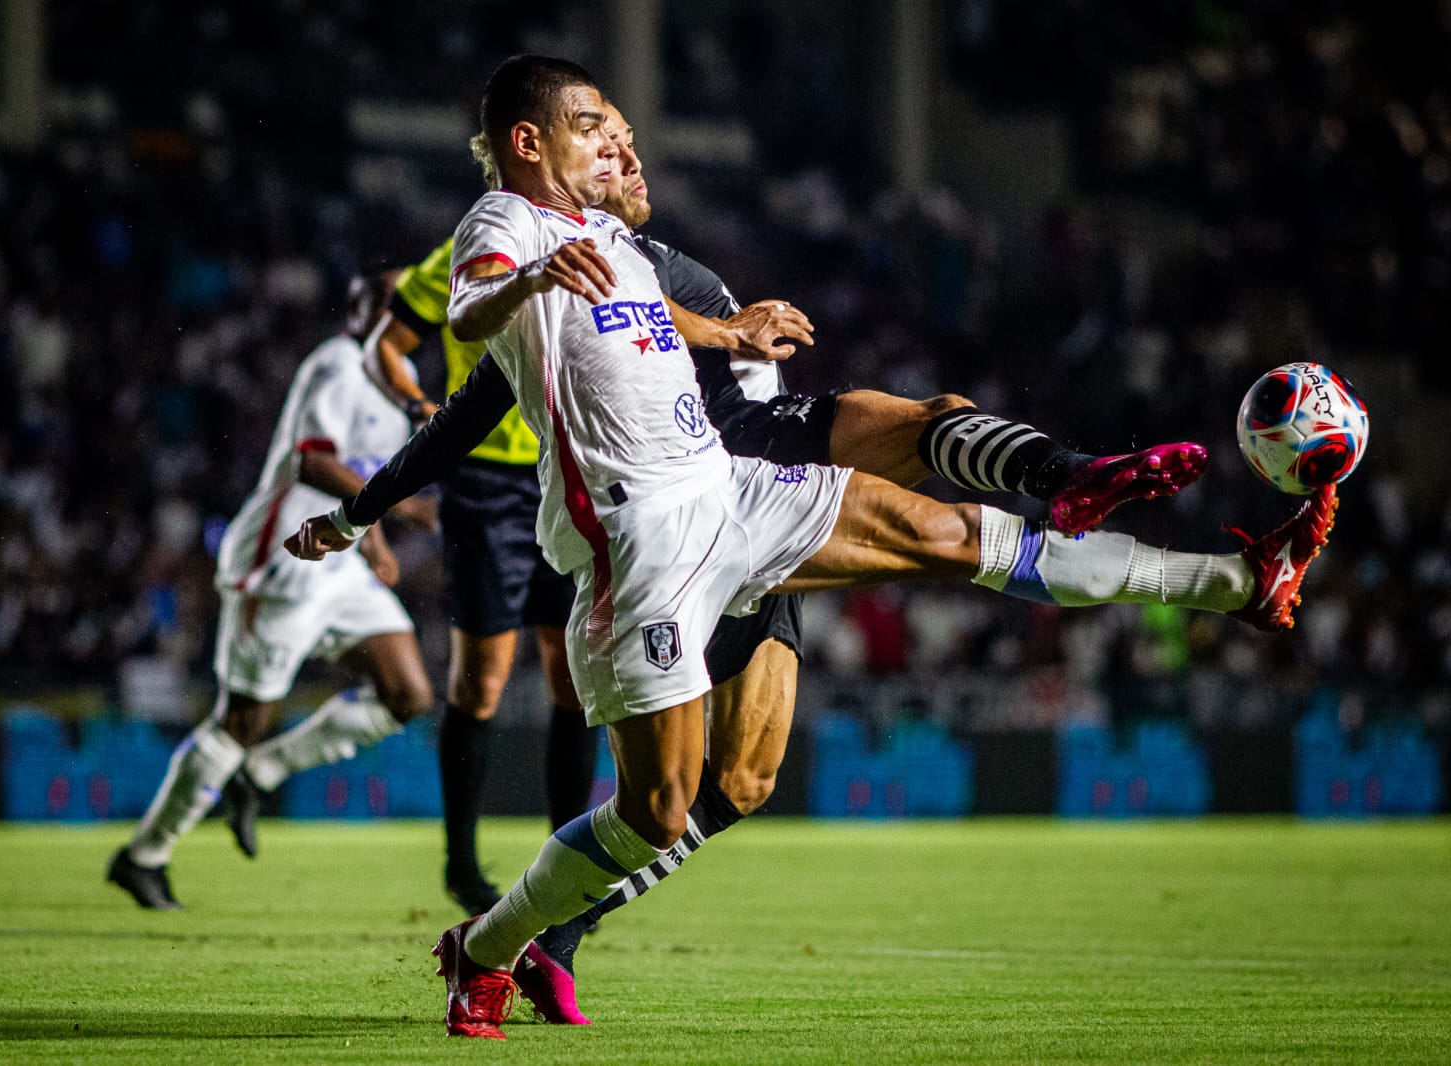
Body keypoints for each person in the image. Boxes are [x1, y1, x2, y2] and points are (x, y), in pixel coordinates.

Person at [288, 57, 1336, 1039]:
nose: (616, 141)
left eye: (615, 126)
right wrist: (517, 293)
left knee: (943, 534)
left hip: (728, 486)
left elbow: (651, 319)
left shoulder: (608, 241)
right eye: (593, 126)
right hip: (637, 542)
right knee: (656, 811)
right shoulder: (503, 222)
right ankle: (485, 944)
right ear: (527, 141)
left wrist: (730, 334)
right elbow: (470, 307)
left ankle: (1236, 578)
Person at [107, 265, 436, 909]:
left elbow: (360, 473)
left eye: (412, 305)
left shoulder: (403, 386)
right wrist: (394, 512)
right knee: (242, 720)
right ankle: (145, 855)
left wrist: (370, 540)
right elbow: (313, 461)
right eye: (389, 301)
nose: (402, 314)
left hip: (340, 562)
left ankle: (263, 772)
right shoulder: (337, 364)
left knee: (408, 693)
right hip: (285, 558)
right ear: (359, 309)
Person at [360, 236, 600, 917]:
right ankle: (462, 864)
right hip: (486, 484)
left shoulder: (585, 246)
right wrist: (420, 410)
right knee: (483, 680)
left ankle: (567, 870)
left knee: (572, 676)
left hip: (567, 468)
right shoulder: (462, 256)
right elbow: (389, 343)